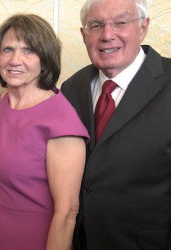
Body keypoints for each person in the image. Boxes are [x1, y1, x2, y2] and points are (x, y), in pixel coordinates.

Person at [60, 0, 171, 249]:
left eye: (121, 22)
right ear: (83, 34)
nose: (107, 35)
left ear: (143, 27)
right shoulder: (71, 88)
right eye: (96, 25)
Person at [0, 14, 89, 250]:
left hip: (34, 240)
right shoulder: (0, 102)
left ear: (45, 61)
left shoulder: (61, 121)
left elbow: (67, 213)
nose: (15, 60)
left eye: (28, 51)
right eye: (8, 49)